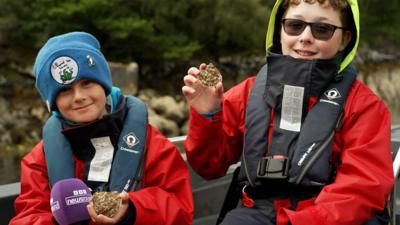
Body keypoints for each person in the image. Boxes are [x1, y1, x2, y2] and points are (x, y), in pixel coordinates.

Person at [182, 0, 394, 224]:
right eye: (294, 25)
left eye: (322, 29)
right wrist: (207, 115)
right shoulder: (247, 94)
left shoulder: (364, 107)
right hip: (256, 213)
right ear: (280, 30)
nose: (305, 37)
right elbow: (209, 167)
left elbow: (362, 189)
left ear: (345, 39)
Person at [10, 31, 193, 225]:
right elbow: (29, 215)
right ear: (52, 103)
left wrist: (133, 210)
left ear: (104, 85)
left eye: (87, 83)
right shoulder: (38, 161)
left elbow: (180, 207)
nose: (79, 96)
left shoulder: (150, 143)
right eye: (65, 90)